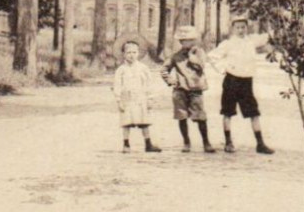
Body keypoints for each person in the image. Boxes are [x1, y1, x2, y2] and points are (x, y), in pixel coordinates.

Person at [208, 17, 274, 154]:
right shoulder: (228, 44)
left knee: (253, 112)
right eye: (237, 27)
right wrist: (223, 69)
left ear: (247, 28)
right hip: (231, 81)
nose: (240, 30)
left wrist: (273, 21)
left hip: (246, 82)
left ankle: (260, 144)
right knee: (228, 112)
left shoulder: (251, 41)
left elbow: (268, 36)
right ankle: (228, 143)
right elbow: (212, 56)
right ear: (233, 29)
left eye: (243, 27)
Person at [163, 24, 216, 153]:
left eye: (192, 39)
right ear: (181, 41)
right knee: (181, 117)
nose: (189, 42)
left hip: (196, 90)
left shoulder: (200, 53)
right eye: (186, 40)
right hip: (180, 90)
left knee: (200, 117)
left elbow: (201, 67)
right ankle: (186, 142)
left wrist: (193, 58)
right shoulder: (176, 56)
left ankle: (206, 142)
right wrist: (170, 80)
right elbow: (164, 69)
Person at [112, 39, 161, 153]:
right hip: (127, 98)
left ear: (139, 53)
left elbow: (149, 84)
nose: (131, 55)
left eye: (134, 52)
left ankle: (148, 143)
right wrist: (119, 100)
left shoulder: (143, 68)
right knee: (126, 121)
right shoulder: (121, 70)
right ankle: (126, 144)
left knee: (144, 121)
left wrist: (150, 98)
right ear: (123, 54)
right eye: (128, 53)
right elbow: (117, 85)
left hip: (140, 98)